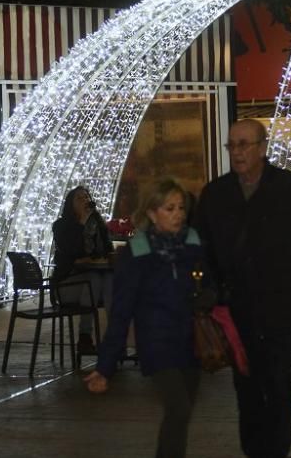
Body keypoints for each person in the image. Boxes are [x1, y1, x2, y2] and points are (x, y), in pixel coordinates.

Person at [193, 119, 291, 458]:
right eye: (232, 145)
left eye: (244, 144)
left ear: (262, 147)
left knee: (279, 385)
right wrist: (207, 294)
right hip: (236, 311)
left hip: (282, 309)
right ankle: (255, 451)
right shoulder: (215, 194)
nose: (237, 152)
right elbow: (201, 250)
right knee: (247, 389)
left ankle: (275, 451)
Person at [84, 178, 208, 458]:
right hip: (157, 344)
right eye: (169, 208)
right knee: (179, 408)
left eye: (180, 207)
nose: (178, 214)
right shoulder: (138, 251)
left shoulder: (192, 243)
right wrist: (105, 366)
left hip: (190, 342)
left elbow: (210, 282)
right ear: (152, 213)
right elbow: (122, 311)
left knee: (181, 415)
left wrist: (208, 295)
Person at [52, 186, 114, 354]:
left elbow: (106, 248)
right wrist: (82, 223)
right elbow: (71, 251)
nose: (85, 200)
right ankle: (85, 336)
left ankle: (114, 337)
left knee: (109, 279)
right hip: (67, 284)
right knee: (94, 279)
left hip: (93, 279)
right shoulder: (60, 226)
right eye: (80, 198)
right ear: (70, 204)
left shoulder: (96, 224)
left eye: (87, 197)